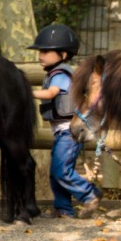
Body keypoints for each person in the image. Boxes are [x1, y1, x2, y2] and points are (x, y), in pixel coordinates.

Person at [29, 23, 101, 219]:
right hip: (61, 132)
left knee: (61, 170)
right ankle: (63, 209)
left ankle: (89, 194)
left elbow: (51, 93)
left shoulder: (61, 74)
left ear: (63, 54)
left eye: (45, 51)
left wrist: (26, 92)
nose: (40, 55)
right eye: (40, 51)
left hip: (69, 133)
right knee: (56, 172)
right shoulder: (55, 73)